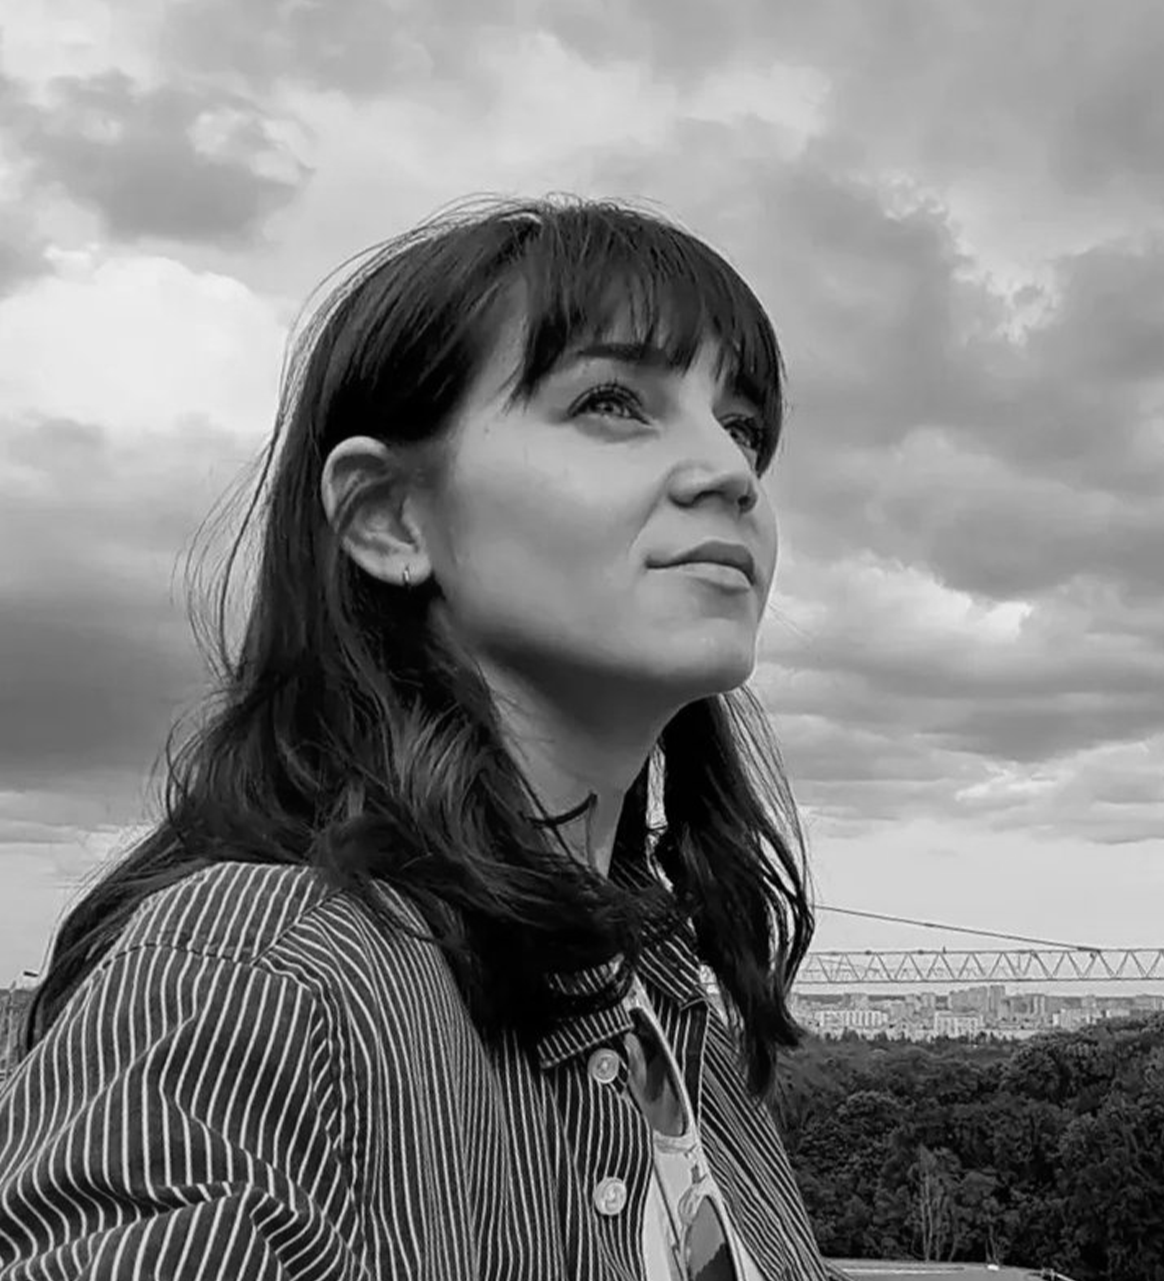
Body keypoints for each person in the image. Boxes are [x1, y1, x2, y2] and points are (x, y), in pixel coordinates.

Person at [0, 195, 848, 1280]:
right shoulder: (262, 979)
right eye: (612, 402)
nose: (730, 473)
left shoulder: (672, 1007)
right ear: (390, 519)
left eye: (742, 428)